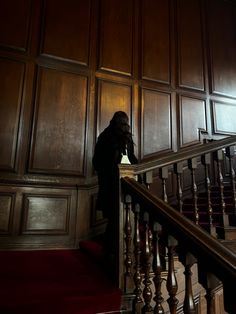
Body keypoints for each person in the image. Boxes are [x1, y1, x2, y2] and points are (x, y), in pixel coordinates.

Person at [92, 111, 138, 260]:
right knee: (114, 218)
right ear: (116, 122)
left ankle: (115, 251)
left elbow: (132, 158)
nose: (125, 126)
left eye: (126, 123)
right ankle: (111, 252)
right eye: (123, 122)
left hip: (126, 183)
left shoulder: (127, 138)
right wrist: (112, 168)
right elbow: (97, 162)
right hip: (110, 185)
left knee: (121, 219)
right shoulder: (105, 137)